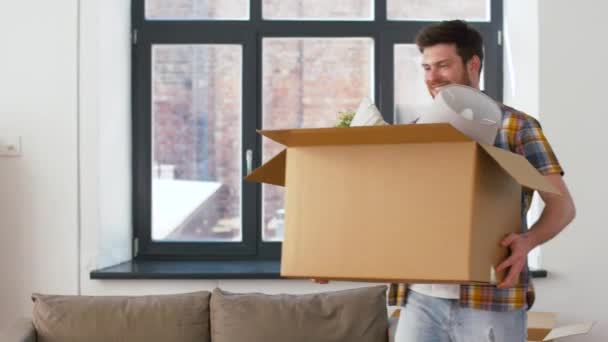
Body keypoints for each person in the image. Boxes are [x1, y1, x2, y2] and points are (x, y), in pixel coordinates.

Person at [317, 20, 576, 342]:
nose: (432, 77)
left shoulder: (515, 127)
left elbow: (562, 205)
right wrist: (332, 253)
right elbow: (388, 211)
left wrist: (528, 241)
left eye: (442, 65)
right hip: (420, 297)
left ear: (473, 64)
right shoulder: (415, 132)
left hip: (491, 296)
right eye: (426, 67)